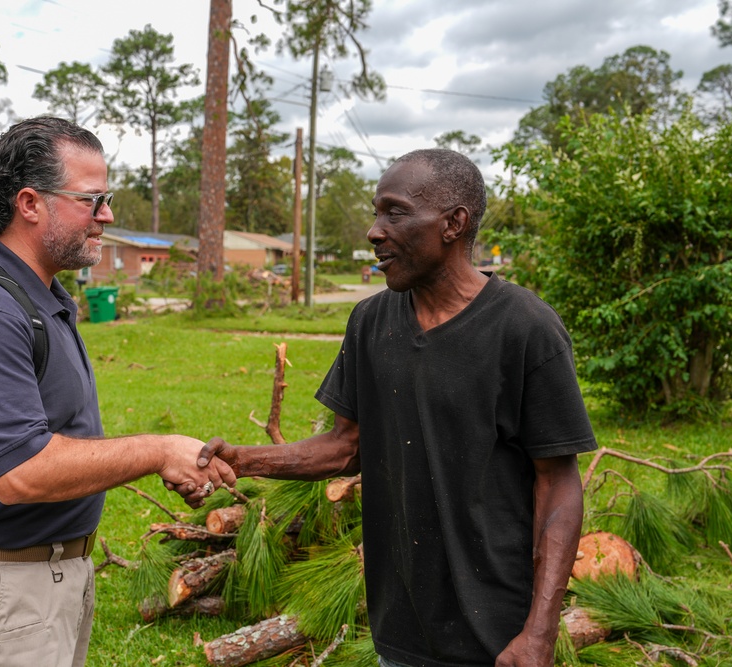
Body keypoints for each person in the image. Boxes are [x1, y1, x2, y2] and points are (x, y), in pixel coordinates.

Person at [193, 149, 596, 667]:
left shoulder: (525, 329)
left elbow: (558, 483)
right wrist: (241, 460)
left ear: (454, 223)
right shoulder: (370, 321)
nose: (374, 231)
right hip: (399, 626)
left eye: (395, 212)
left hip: (499, 636)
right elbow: (346, 447)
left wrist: (540, 631)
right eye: (375, 212)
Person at [0, 116, 234, 667]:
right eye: (92, 200)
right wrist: (156, 450)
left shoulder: (36, 299)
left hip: (30, 584)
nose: (109, 215)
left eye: (109, 198)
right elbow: (20, 470)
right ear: (30, 203)